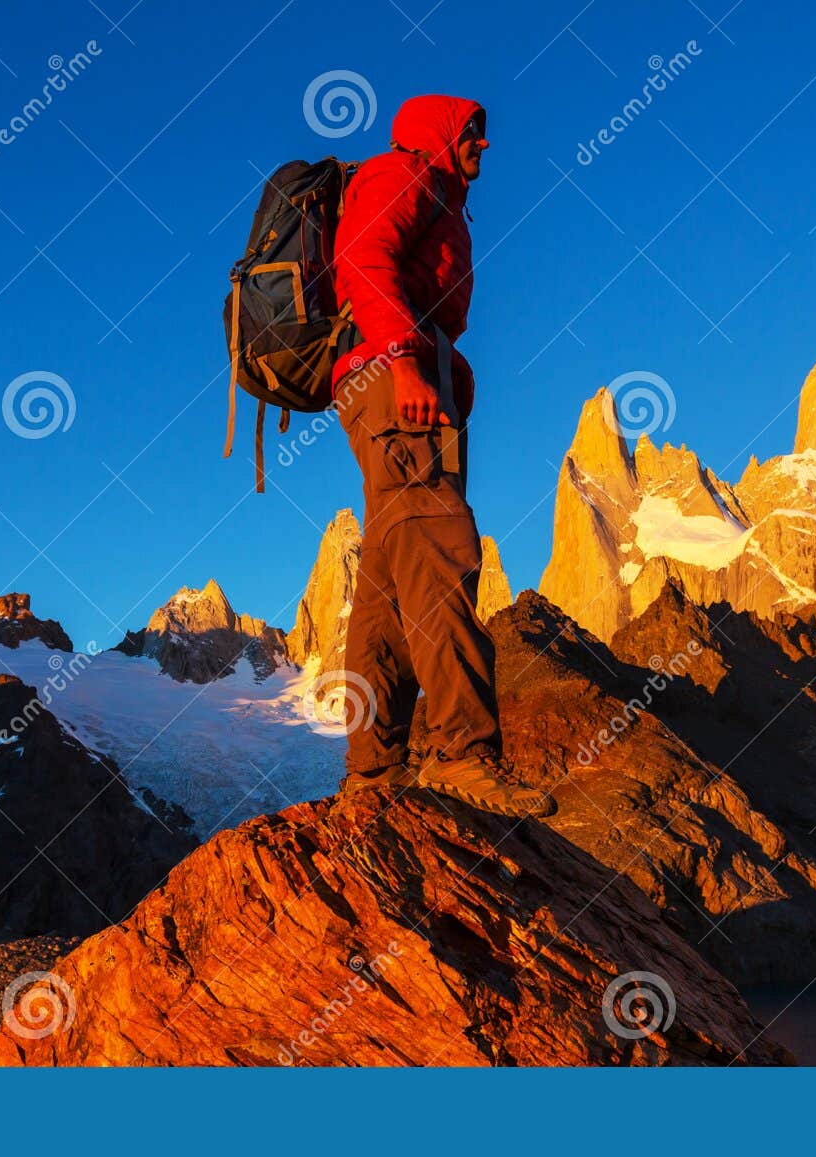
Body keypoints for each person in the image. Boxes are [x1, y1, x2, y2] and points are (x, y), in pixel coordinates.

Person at [331, 94, 554, 818]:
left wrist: (447, 369)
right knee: (439, 542)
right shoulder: (404, 176)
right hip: (390, 379)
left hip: (394, 376)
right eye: (473, 133)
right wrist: (403, 359)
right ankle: (463, 753)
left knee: (391, 578)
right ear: (439, 133)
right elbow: (363, 256)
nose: (484, 146)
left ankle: (374, 769)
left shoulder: (435, 193)